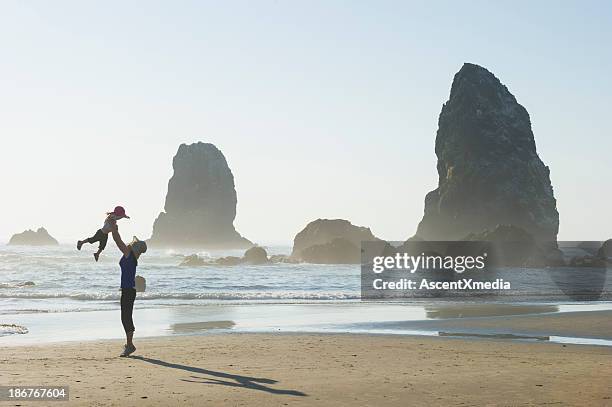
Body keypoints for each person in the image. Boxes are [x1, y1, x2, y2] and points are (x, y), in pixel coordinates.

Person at [109, 221, 147, 357]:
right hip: (128, 290)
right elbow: (118, 241)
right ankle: (129, 344)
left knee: (126, 317)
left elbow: (118, 241)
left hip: (128, 291)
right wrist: (114, 229)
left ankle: (130, 345)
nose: (130, 244)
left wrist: (114, 229)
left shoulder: (128, 255)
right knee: (126, 317)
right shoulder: (131, 257)